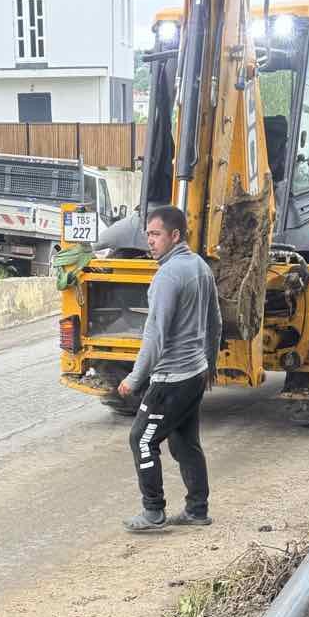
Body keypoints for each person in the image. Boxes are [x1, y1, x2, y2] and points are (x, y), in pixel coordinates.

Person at [118, 204, 222, 535]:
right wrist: (211, 363)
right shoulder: (200, 267)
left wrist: (134, 379)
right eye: (148, 234)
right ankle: (196, 510)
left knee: (142, 439)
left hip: (172, 378)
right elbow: (215, 322)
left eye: (156, 234)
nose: (150, 241)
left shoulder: (167, 276)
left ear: (175, 235)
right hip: (194, 373)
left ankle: (153, 511)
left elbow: (155, 336)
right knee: (184, 441)